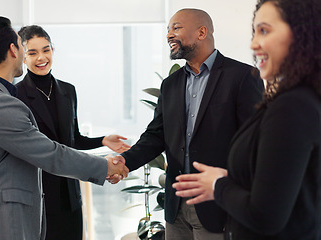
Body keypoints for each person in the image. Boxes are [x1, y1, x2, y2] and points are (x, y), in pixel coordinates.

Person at [0, 16, 129, 240]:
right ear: (13, 50)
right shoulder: (0, 103)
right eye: (24, 46)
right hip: (0, 221)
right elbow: (50, 153)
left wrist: (102, 145)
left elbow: (67, 140)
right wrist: (104, 166)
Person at [110, 8, 264, 240]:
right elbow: (156, 135)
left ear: (202, 32)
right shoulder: (170, 84)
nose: (169, 35)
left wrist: (238, 202)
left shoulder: (243, 76)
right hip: (176, 207)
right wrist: (125, 161)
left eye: (176, 28)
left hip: (218, 205)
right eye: (168, 29)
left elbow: (254, 145)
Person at [173, 0, 321, 239]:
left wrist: (218, 185)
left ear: (301, 32)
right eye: (254, 32)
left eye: (264, 30)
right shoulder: (299, 100)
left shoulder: (292, 107)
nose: (253, 44)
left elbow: (266, 215)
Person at [16, 25, 131, 240]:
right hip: (39, 195)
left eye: (46, 50)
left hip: (69, 194)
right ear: (23, 57)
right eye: (32, 53)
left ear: (53, 50)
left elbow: (72, 141)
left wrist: (103, 140)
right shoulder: (16, 95)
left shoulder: (68, 91)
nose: (41, 57)